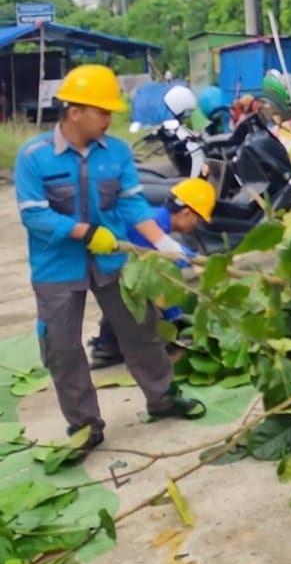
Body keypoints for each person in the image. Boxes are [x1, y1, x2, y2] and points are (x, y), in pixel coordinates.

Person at [14, 66, 206, 452]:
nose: (109, 120)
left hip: (113, 262)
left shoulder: (116, 152)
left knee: (141, 329)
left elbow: (132, 204)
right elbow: (34, 214)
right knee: (62, 347)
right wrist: (85, 232)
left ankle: (163, 398)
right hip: (57, 266)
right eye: (103, 112)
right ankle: (85, 426)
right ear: (75, 112)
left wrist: (162, 241)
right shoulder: (33, 157)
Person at [88, 177, 217, 369]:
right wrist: (177, 319)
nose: (196, 225)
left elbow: (171, 254)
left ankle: (112, 344)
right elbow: (157, 281)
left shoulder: (156, 220)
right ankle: (108, 346)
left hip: (112, 268)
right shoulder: (149, 227)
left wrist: (191, 258)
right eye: (198, 219)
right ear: (187, 213)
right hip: (109, 270)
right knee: (133, 300)